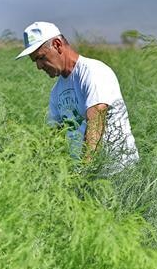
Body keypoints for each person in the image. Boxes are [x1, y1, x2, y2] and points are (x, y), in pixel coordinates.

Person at [16, 21, 139, 174]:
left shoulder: (94, 73)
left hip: (118, 173)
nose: (39, 66)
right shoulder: (56, 91)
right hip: (85, 178)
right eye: (35, 61)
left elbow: (95, 125)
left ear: (57, 44)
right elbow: (55, 137)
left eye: (41, 57)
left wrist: (84, 173)